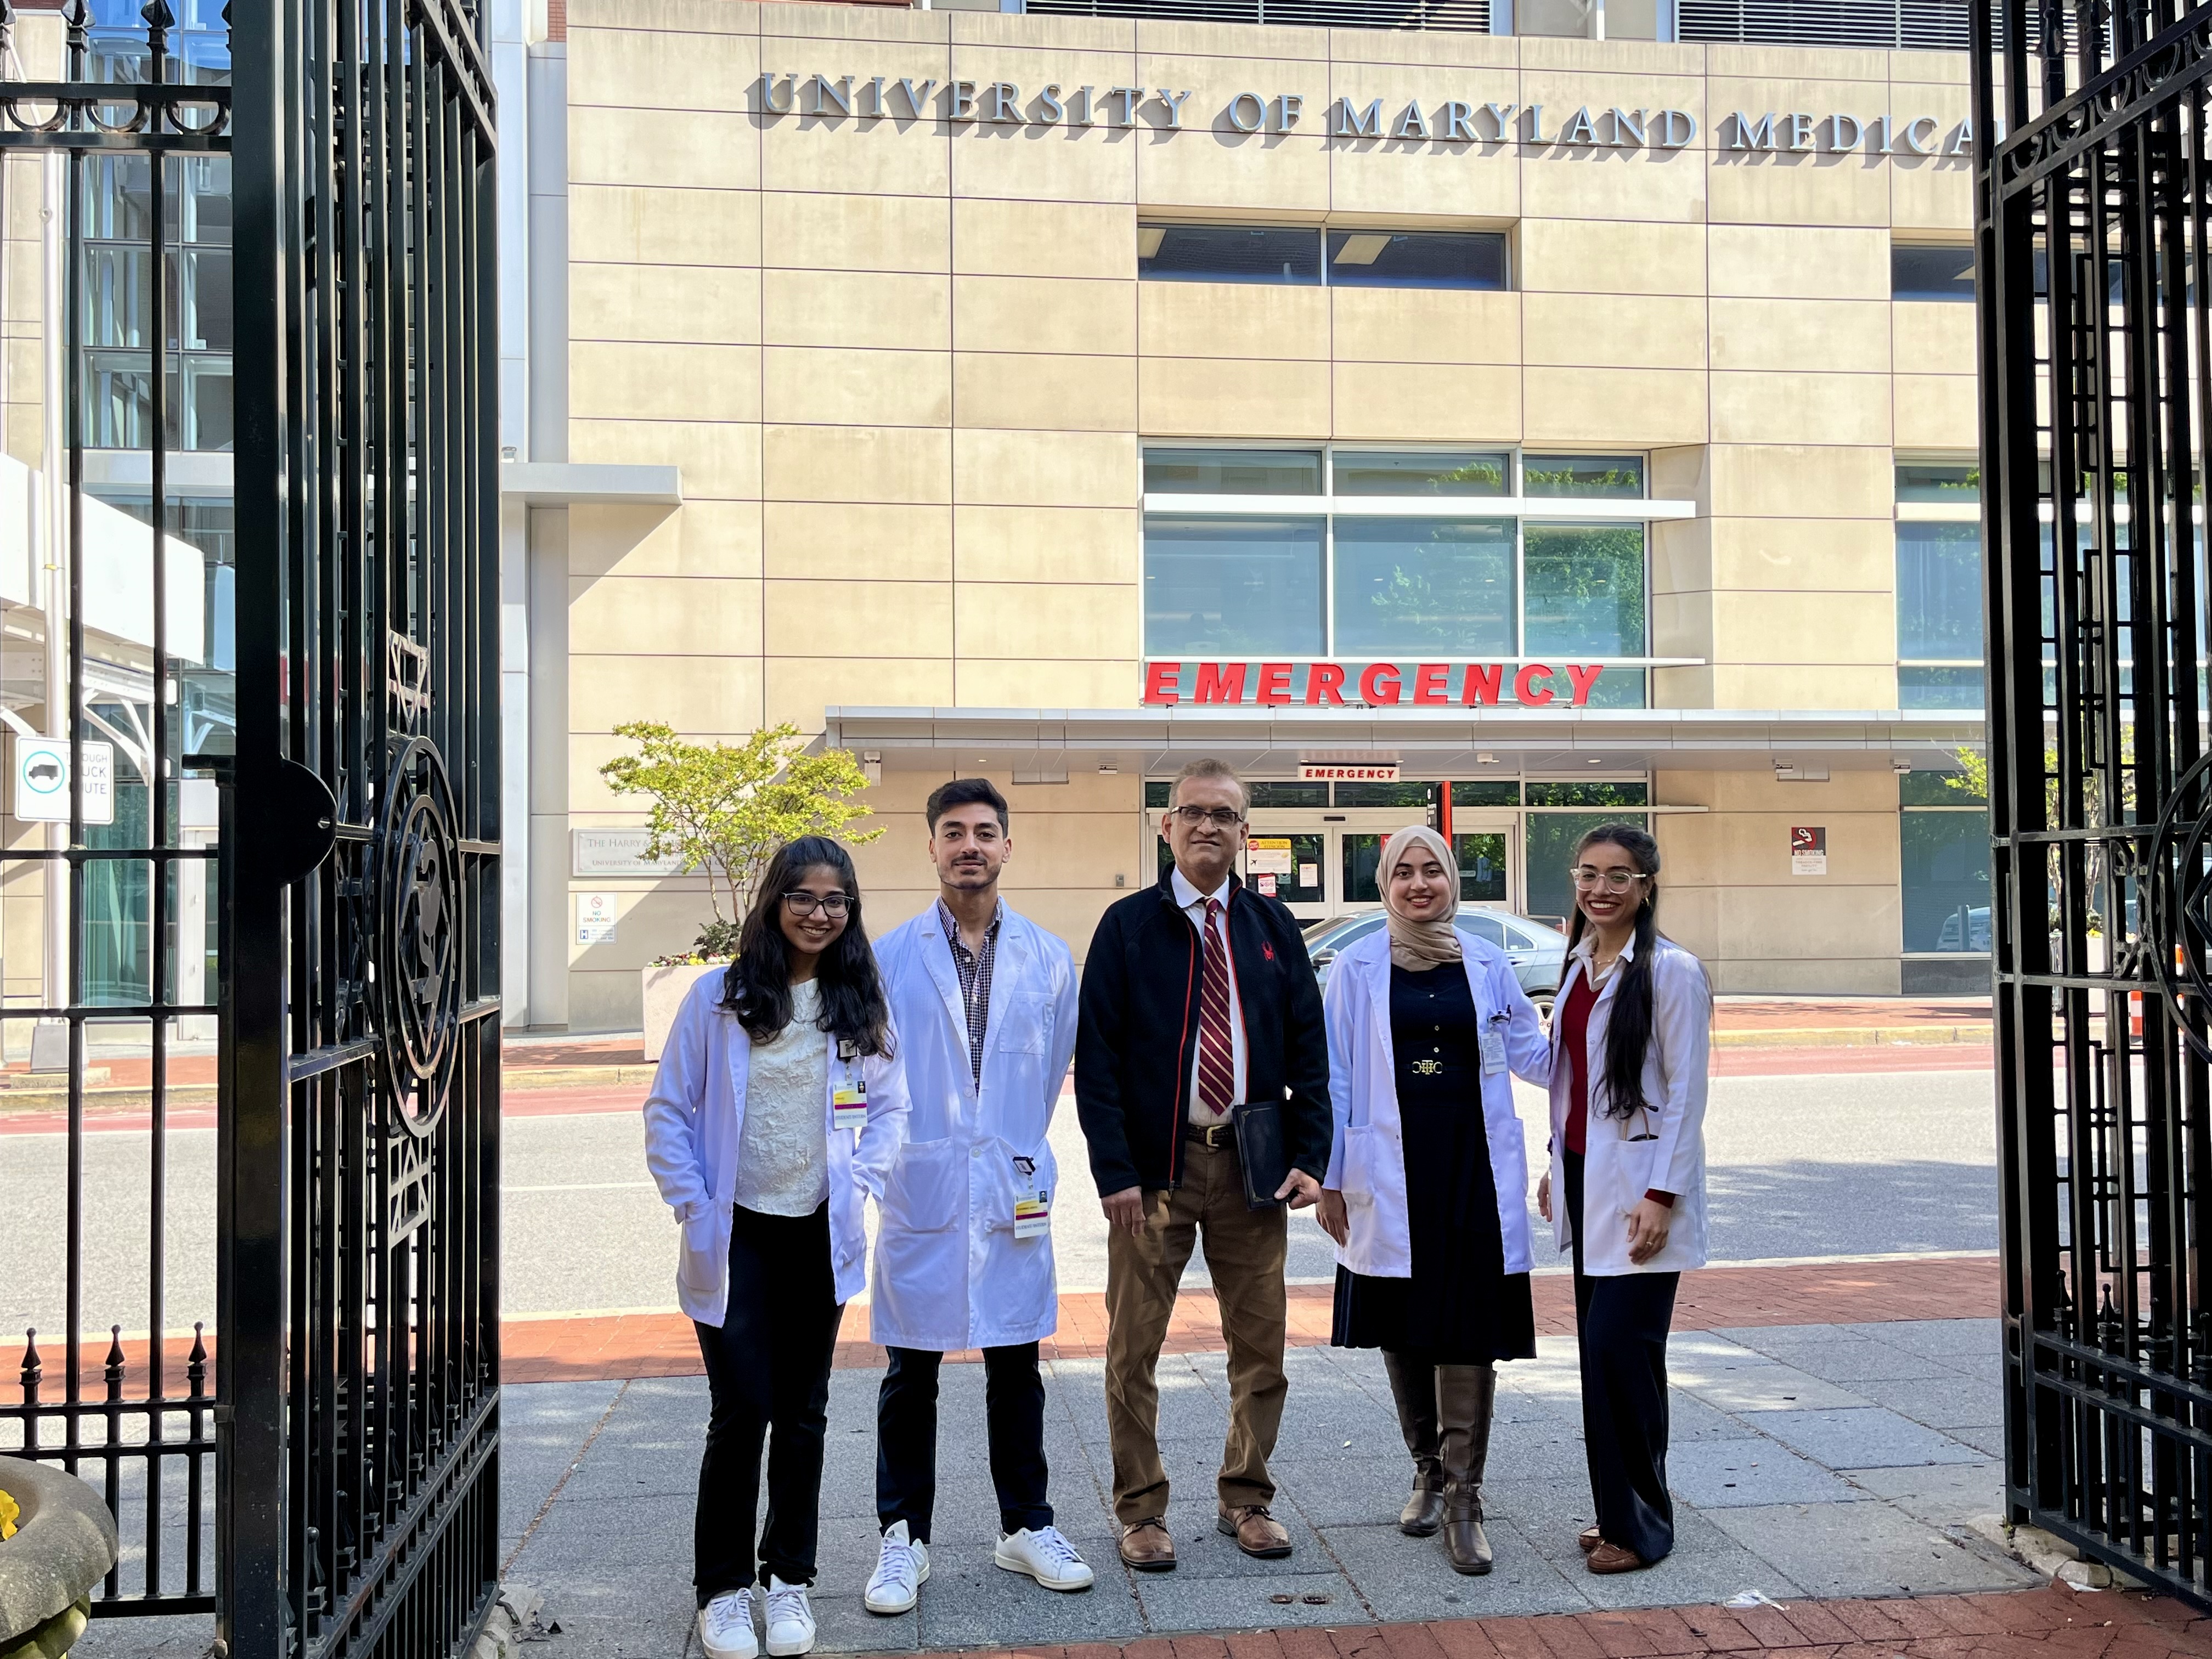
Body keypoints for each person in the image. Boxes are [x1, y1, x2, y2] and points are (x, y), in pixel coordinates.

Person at [642, 836, 910, 1659]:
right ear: (774, 900)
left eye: (836, 901)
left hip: (818, 1230)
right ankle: (721, 1590)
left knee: (803, 1413)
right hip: (737, 1233)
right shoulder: (718, 999)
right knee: (742, 1410)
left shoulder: (858, 1001)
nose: (820, 914)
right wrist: (693, 1203)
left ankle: (788, 1578)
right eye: (804, 897)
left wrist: (861, 1183)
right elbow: (668, 1111)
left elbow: (894, 1109)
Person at [1075, 756, 1331, 1572]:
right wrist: (1114, 1170)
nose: (1208, 826)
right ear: (1167, 825)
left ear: (1244, 829)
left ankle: (1246, 1498)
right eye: (1194, 812)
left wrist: (1312, 1156)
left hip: (1252, 1172)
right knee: (1132, 1348)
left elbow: (1310, 1055)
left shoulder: (1271, 926)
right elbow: (1100, 1057)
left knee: (1261, 1346)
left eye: (1225, 814)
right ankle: (1141, 1510)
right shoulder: (1127, 926)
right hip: (1156, 1171)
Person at [864, 778, 1094, 1613]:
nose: (969, 845)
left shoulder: (1045, 955)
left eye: (985, 832)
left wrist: (1020, 1152)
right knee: (909, 1369)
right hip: (921, 1183)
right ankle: (903, 1536)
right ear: (930, 847)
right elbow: (863, 1073)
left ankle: (1026, 1525)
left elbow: (1059, 1061)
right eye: (953, 831)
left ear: (1007, 847)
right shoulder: (889, 957)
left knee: (1016, 1361)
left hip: (1012, 1186)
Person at [1314, 826, 1550, 1575]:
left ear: (1453, 881)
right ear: (1384, 885)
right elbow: (1336, 1076)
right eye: (1404, 873)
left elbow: (1532, 1053)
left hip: (1472, 1165)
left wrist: (1601, 1019)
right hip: (1389, 1169)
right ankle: (1425, 1468)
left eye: (1433, 872)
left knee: (1469, 1325)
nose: (1420, 885)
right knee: (1405, 1320)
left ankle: (1464, 1497)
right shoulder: (1355, 967)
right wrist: (1330, 1175)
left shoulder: (1485, 963)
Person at [1535, 823, 1709, 1576]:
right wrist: (1553, 1163)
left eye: (1618, 876)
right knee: (1607, 1361)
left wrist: (1661, 1195)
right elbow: (1567, 1077)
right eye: (1587, 874)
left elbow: (1686, 1099)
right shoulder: (1580, 966)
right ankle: (1621, 1510)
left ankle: (1640, 1531)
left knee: (1621, 1353)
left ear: (1647, 885)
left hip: (1643, 1192)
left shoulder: (1671, 972)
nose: (1599, 889)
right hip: (1584, 1175)